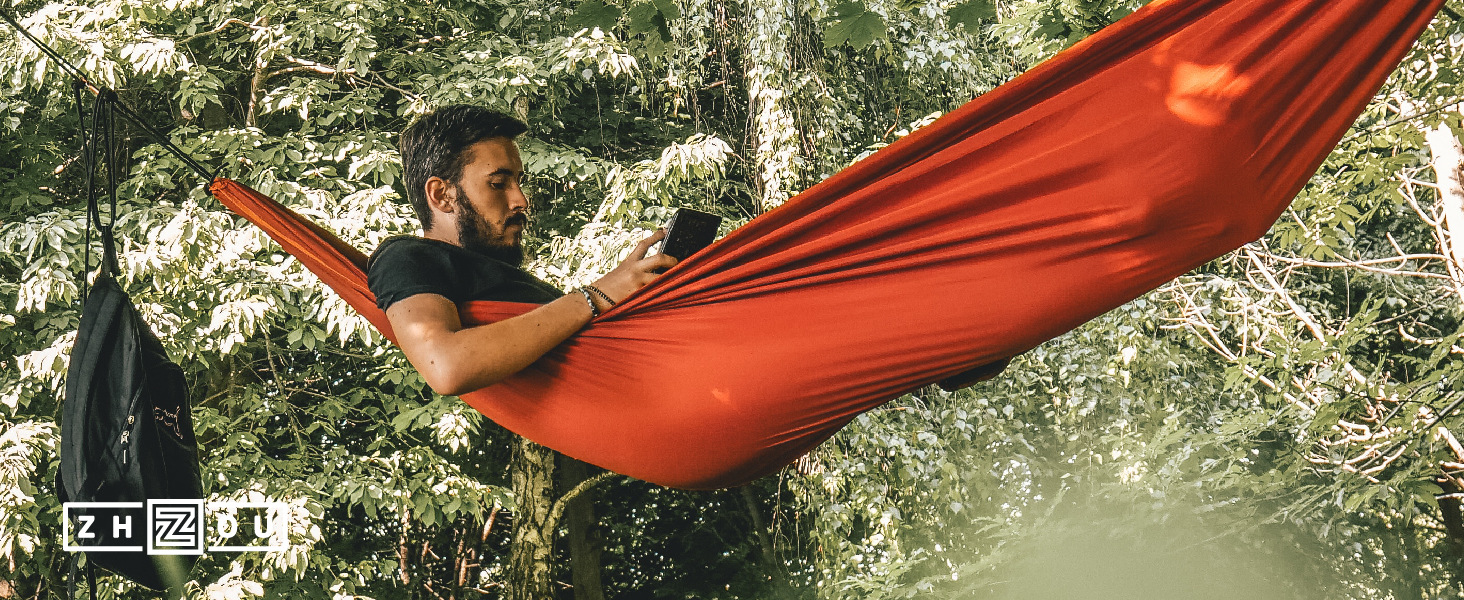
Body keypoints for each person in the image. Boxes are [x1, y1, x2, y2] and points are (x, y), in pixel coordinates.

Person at [367, 105, 676, 396]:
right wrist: (596, 296)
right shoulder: (406, 256)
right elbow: (446, 367)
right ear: (441, 195)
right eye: (499, 184)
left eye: (518, 182)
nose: (520, 200)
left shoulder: (507, 284)